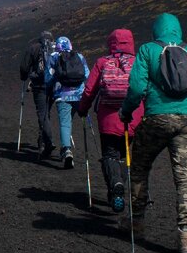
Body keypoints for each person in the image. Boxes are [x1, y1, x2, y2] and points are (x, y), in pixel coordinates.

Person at [118, 13, 187, 253]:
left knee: (139, 167)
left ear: (156, 30)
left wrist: (126, 112)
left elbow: (137, 88)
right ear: (177, 29)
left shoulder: (148, 50)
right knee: (185, 178)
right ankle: (186, 236)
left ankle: (136, 223)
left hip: (157, 118)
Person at [77, 28, 144, 211]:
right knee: (123, 154)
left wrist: (82, 109)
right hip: (132, 118)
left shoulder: (103, 62)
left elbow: (89, 90)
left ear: (111, 43)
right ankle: (119, 183)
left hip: (108, 119)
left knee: (110, 154)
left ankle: (115, 185)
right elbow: (146, 89)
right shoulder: (138, 62)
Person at [48, 36, 89, 169]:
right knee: (74, 121)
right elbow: (86, 74)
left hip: (62, 96)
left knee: (65, 123)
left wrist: (49, 91)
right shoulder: (79, 56)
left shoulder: (54, 57)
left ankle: (67, 150)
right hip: (79, 95)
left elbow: (48, 77)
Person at [18, 30, 56, 158]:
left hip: (39, 86)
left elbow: (24, 68)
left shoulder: (33, 48)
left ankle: (47, 142)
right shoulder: (56, 48)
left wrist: (24, 77)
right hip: (54, 86)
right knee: (46, 113)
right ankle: (43, 141)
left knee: (42, 114)